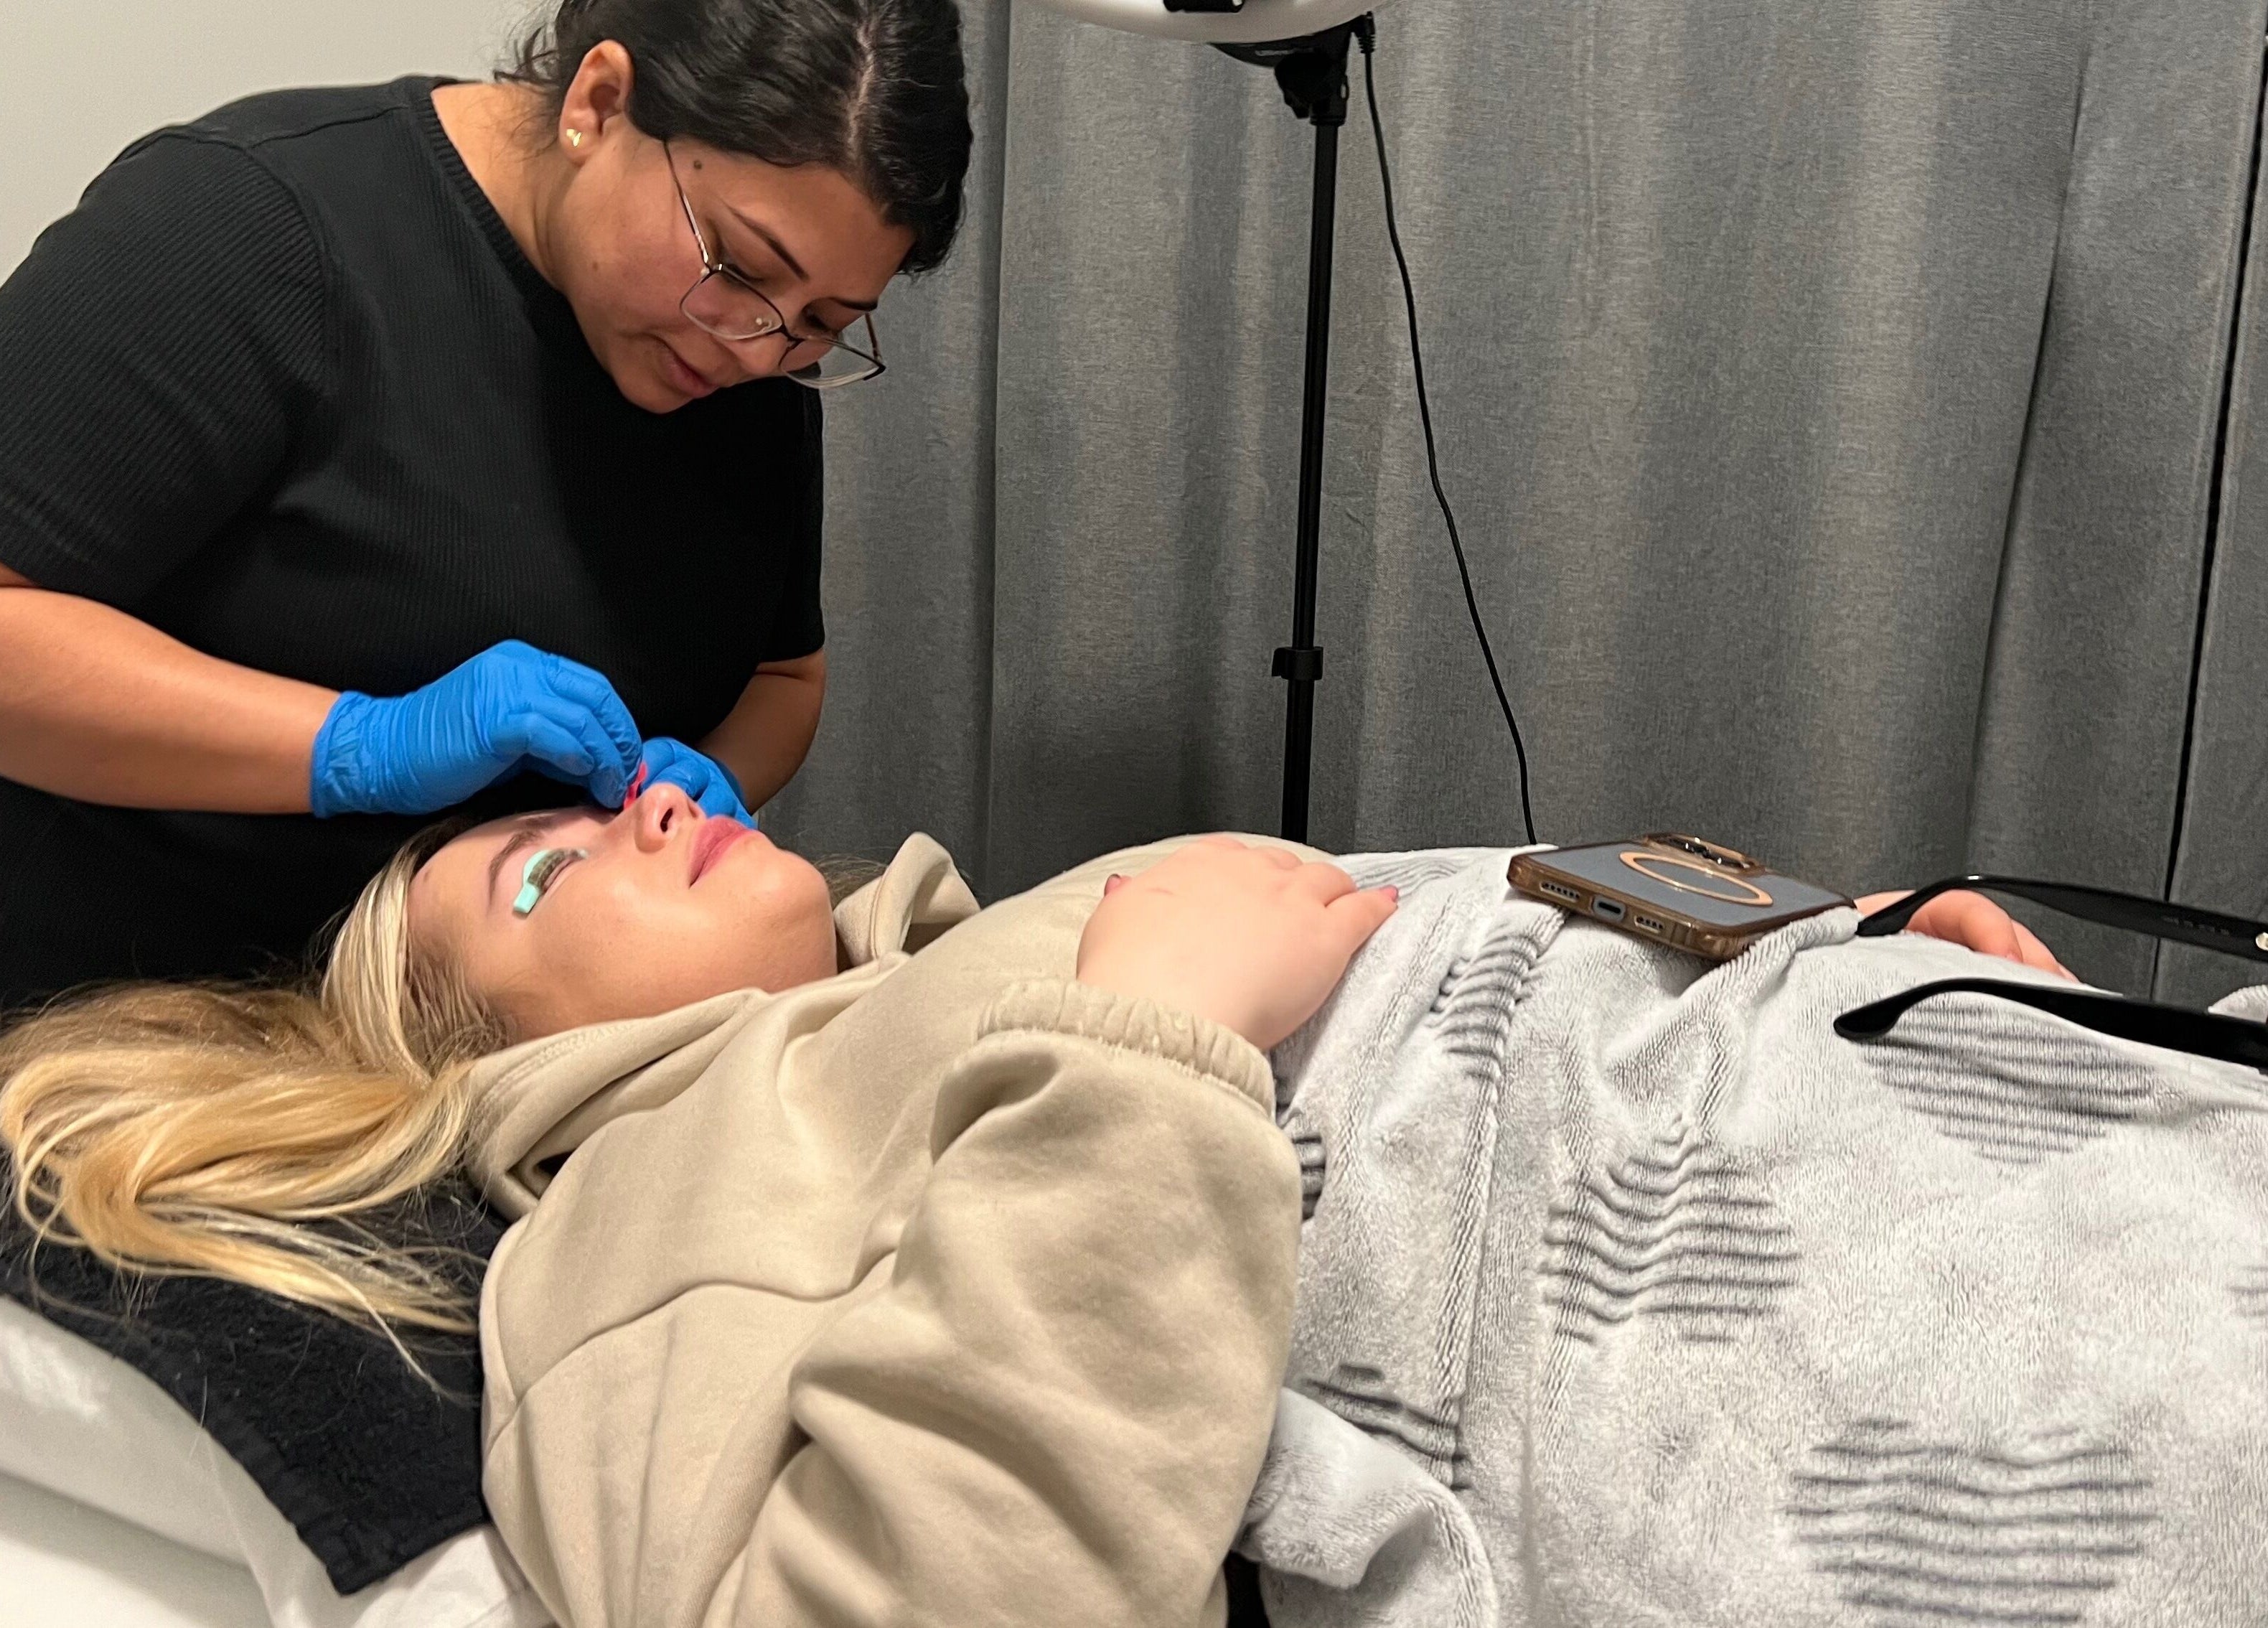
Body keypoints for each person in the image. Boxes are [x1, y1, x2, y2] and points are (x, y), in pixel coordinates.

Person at [0, 795, 2105, 1625]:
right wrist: (1152, 1045)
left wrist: (1826, 965)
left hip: (1913, 1097)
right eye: (541, 875)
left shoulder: (937, 963)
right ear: (475, 1074)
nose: (644, 794)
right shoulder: (643, 1196)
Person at [0, 0, 973, 1011]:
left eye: (822, 319)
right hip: (101, 1054)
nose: (757, 348)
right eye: (737, 264)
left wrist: (709, 777)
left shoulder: (737, 363)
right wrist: (352, 748)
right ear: (599, 101)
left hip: (465, 1086)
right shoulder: (249, 228)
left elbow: (784, 670)